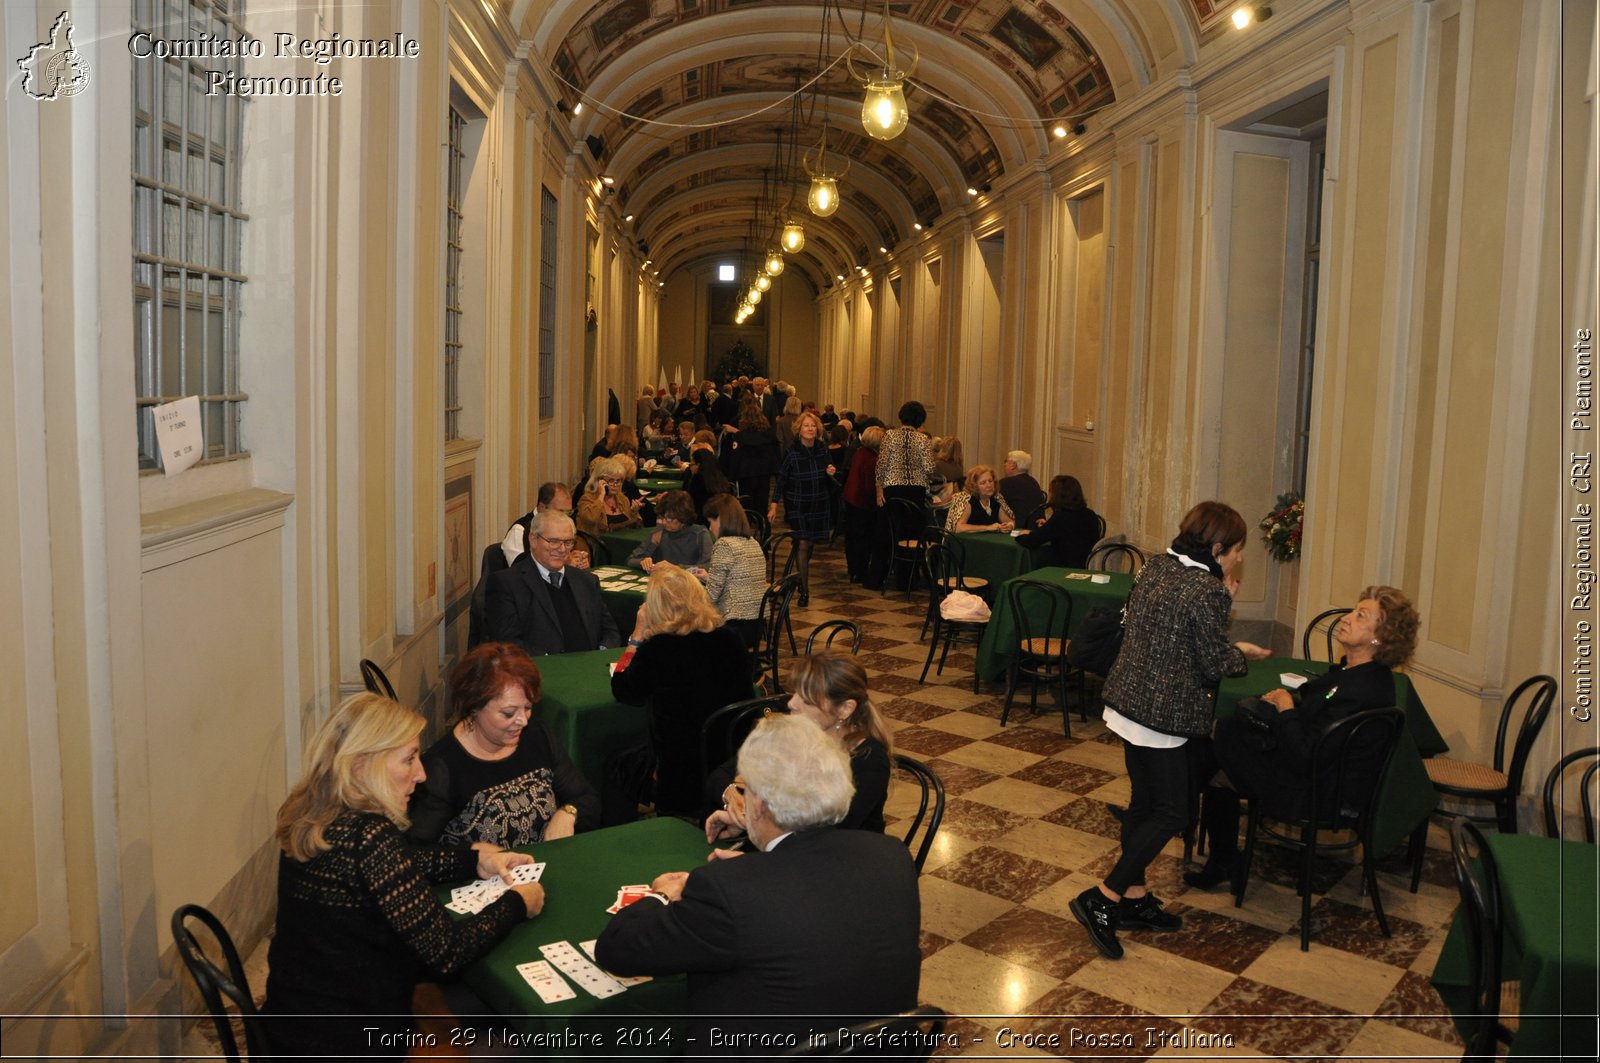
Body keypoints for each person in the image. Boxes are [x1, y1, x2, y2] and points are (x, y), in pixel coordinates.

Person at [595, 714, 920, 1053]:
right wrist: (757, 870)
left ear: (761, 805)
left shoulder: (729, 891)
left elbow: (617, 951)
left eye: (743, 788)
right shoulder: (892, 856)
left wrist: (662, 895)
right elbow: (813, 900)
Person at [263, 694, 544, 1057]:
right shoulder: (370, 838)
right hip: (352, 1040)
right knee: (511, 1046)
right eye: (409, 759)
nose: (422, 773)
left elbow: (397, 867)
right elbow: (447, 953)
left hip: (293, 1019)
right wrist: (518, 903)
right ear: (363, 766)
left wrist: (472, 861)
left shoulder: (313, 811)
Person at [1070, 501, 1270, 960]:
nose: (1239, 558)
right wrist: (1240, 651)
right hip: (1162, 716)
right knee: (1172, 813)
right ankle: (1104, 896)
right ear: (1218, 547)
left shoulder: (1158, 565)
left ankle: (1134, 898)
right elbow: (1213, 662)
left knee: (1144, 806)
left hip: (1127, 702)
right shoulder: (1206, 589)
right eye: (1237, 550)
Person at [1185, 587, 1421, 890]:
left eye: (1361, 616)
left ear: (1381, 636)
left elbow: (1305, 754)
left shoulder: (1363, 690)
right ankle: (1207, 842)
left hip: (1317, 794)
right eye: (1353, 610)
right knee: (1218, 756)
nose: (1347, 618)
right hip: (1312, 775)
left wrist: (1285, 708)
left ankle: (1179, 816)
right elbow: (1314, 706)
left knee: (1222, 739)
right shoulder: (1356, 673)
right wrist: (1290, 704)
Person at [407, 642, 601, 848]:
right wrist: (470, 857)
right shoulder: (441, 768)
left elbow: (587, 799)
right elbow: (417, 852)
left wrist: (568, 813)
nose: (523, 721)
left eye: (527, 708)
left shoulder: (537, 737)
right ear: (474, 707)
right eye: (509, 713)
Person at [609, 566, 753, 817]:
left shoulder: (658, 649)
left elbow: (624, 691)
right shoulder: (731, 638)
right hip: (732, 761)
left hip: (679, 774)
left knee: (616, 764)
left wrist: (636, 637)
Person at [705, 652, 892, 840]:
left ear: (845, 709)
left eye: (806, 699)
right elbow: (719, 776)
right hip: (788, 847)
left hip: (840, 857)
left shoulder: (869, 760)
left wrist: (754, 821)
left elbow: (828, 831)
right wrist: (731, 797)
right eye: (795, 693)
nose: (791, 703)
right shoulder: (791, 734)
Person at [484, 511, 623, 656]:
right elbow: (508, 645)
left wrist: (600, 653)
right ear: (533, 540)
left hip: (589, 670)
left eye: (568, 542)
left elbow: (610, 631)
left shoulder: (587, 581)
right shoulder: (506, 584)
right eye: (554, 541)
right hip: (542, 672)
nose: (562, 549)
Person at [769, 409, 835, 606]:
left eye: (813, 426)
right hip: (797, 503)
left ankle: (798, 576)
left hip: (819, 503)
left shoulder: (822, 448)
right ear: (799, 429)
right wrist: (774, 505)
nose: (810, 429)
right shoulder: (792, 451)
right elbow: (781, 480)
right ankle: (804, 590)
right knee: (804, 543)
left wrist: (831, 470)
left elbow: (829, 467)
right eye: (806, 426)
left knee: (809, 544)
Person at [876, 401, 936, 590]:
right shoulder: (923, 440)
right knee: (911, 535)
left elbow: (882, 464)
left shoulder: (890, 436)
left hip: (892, 489)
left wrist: (879, 489)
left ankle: (880, 577)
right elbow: (929, 468)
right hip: (915, 492)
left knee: (888, 533)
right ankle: (908, 579)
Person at [699, 493, 766, 652]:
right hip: (756, 625)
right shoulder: (753, 542)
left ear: (721, 519)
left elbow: (711, 596)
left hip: (733, 627)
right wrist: (709, 577)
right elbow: (739, 581)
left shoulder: (724, 544)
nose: (710, 528)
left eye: (711, 522)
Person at [1016, 474, 1101, 568]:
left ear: (1058, 496)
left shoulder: (1061, 517)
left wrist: (1021, 535)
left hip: (1063, 568)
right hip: (1088, 565)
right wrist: (1048, 526)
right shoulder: (1090, 514)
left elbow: (1032, 541)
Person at [626, 489, 713, 571]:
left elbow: (709, 566)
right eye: (662, 517)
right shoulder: (660, 531)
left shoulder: (699, 533)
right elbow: (631, 560)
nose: (664, 522)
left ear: (683, 517)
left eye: (669, 519)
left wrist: (677, 568)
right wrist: (642, 562)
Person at [842, 425, 884, 585]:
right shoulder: (873, 459)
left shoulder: (859, 452)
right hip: (863, 503)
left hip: (851, 499)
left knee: (852, 538)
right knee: (863, 540)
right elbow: (869, 487)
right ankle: (860, 572)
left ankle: (853, 570)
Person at [728, 404, 779, 512]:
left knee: (746, 508)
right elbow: (774, 454)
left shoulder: (740, 436)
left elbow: (735, 458)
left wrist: (731, 479)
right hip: (764, 474)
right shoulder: (769, 436)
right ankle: (763, 526)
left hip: (745, 475)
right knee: (762, 505)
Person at [575, 456, 642, 536]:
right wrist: (601, 496)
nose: (615, 484)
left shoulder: (623, 499)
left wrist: (633, 512)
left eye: (619, 480)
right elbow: (591, 519)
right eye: (611, 480)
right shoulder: (587, 499)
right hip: (599, 545)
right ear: (599, 481)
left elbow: (632, 528)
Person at [944, 464, 1016, 533]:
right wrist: (987, 528)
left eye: (990, 481)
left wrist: (1009, 526)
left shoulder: (995, 499)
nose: (989, 485)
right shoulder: (968, 501)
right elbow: (959, 528)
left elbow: (1010, 521)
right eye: (983, 483)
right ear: (974, 486)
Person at [998, 450, 1047, 522]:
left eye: (1006, 461)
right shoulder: (1034, 482)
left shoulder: (1006, 483)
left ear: (1013, 465)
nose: (1004, 464)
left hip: (1016, 527)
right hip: (1035, 525)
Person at [685, 446, 733, 518]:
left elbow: (690, 503)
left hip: (702, 519)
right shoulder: (721, 477)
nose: (690, 467)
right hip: (724, 518)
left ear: (698, 465)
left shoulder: (698, 479)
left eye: (692, 464)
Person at [929, 435, 965, 510]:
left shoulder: (936, 465)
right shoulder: (960, 468)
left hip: (937, 502)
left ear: (943, 448)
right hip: (953, 503)